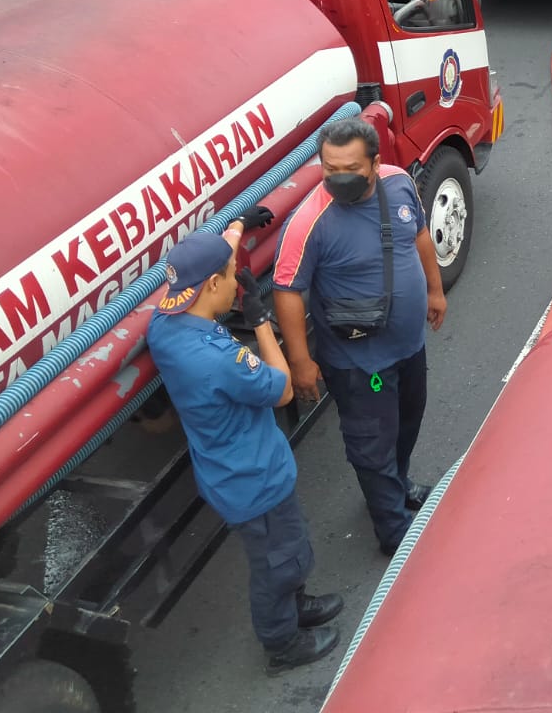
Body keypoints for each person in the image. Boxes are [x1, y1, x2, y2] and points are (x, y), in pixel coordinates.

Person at [147, 225, 344, 675]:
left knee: (287, 549)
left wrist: (235, 232)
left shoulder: (164, 324)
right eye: (233, 274)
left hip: (227, 474)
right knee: (279, 561)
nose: (238, 279)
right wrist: (259, 318)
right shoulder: (218, 360)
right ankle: (283, 642)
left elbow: (208, 263)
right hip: (255, 480)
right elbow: (283, 391)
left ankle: (297, 603)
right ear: (213, 284)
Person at [272, 120, 447, 558]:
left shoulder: (400, 184)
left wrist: (435, 289)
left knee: (409, 418)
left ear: (375, 162)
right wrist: (301, 361)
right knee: (372, 440)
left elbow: (419, 234)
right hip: (360, 364)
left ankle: (397, 484)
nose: (339, 178)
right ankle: (394, 531)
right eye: (330, 168)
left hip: (409, 346)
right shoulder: (310, 222)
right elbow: (288, 291)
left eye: (350, 167)